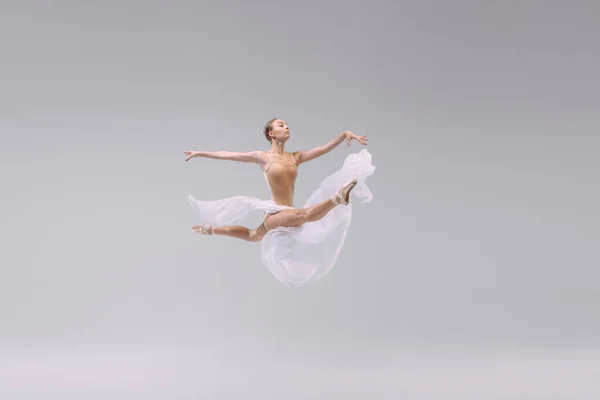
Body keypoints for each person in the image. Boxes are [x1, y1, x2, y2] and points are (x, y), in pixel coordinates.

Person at [185, 118, 376, 287]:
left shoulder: (295, 157)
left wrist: (344, 135)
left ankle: (209, 229)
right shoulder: (263, 157)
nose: (287, 127)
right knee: (304, 215)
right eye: (281, 125)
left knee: (253, 235)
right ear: (271, 133)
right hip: (276, 213)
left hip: (287, 213)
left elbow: (323, 149)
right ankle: (337, 198)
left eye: (286, 125)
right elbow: (230, 154)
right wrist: (200, 153)